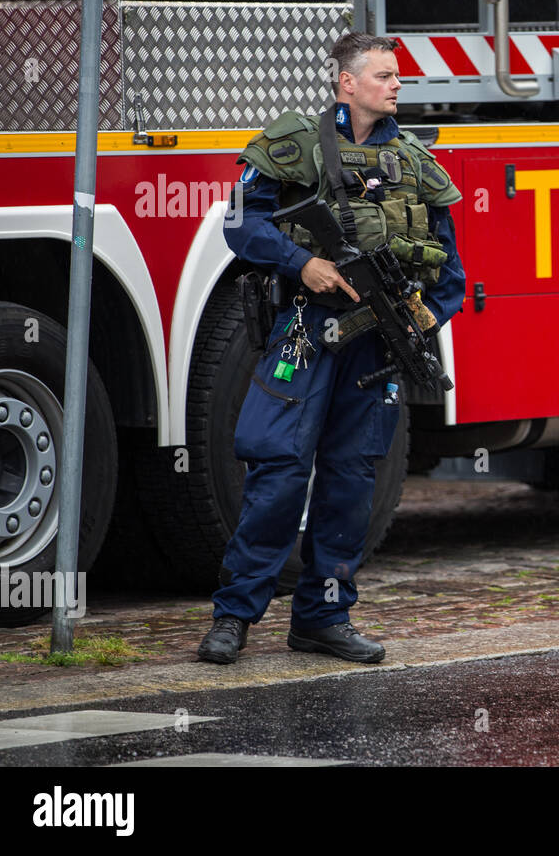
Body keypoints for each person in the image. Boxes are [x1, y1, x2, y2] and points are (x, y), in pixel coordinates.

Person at [197, 32, 465, 664]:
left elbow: (451, 272)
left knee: (350, 480)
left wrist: (426, 315)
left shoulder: (417, 164)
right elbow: (241, 223)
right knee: (279, 472)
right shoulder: (293, 146)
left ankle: (322, 617)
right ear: (347, 83)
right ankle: (234, 617)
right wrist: (303, 263)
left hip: (375, 349)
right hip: (305, 330)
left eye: (398, 77)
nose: (396, 85)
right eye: (383, 76)